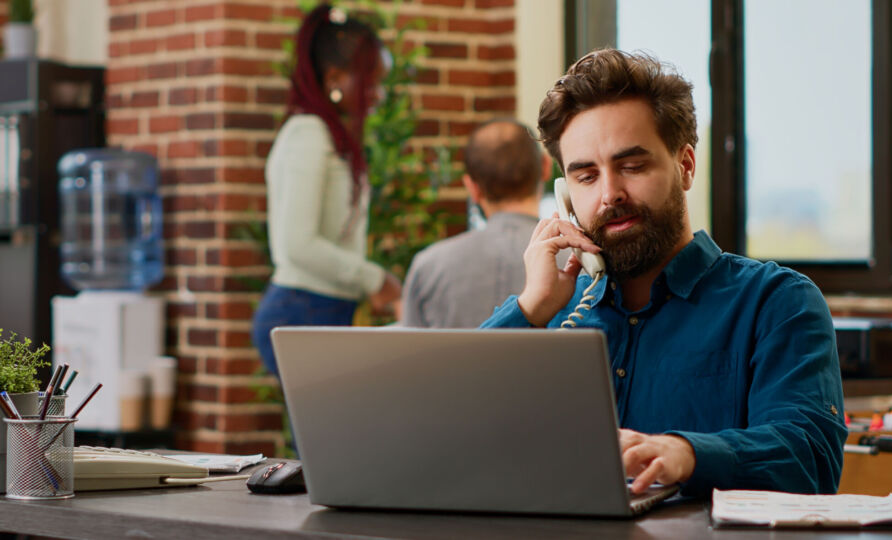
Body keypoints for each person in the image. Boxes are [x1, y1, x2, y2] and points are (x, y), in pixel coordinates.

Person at [480, 49, 847, 496]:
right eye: (586, 177)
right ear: (565, 193)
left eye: (632, 166)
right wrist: (529, 308)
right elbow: (453, 438)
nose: (610, 194)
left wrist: (687, 454)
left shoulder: (776, 302)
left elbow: (810, 455)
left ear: (686, 165)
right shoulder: (553, 314)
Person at [251, 4, 401, 377]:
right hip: (303, 310)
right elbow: (297, 244)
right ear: (335, 77)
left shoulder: (323, 134)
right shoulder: (309, 135)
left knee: (327, 435)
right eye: (372, 81)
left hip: (319, 309)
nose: (379, 95)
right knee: (327, 436)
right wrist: (376, 280)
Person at [401, 119, 552, 328]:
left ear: (472, 188)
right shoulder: (582, 261)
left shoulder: (428, 267)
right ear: (546, 167)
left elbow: (409, 356)